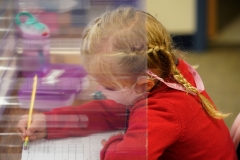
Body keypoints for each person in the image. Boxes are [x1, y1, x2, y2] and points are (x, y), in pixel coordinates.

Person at [17, 7, 237, 160]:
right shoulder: (166, 70)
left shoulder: (161, 110)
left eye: (109, 87)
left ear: (144, 85)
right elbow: (111, 111)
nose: (101, 92)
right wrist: (50, 122)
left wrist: (114, 143)